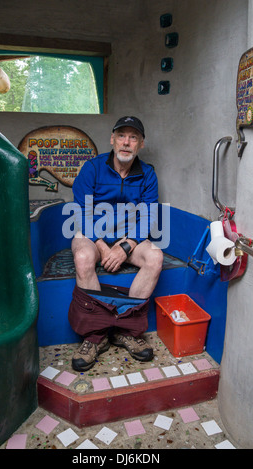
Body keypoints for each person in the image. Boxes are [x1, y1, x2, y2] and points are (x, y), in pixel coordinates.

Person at [69, 116, 164, 371]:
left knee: (155, 257)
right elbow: (80, 211)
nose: (126, 142)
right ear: (112, 140)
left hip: (127, 238)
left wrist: (126, 246)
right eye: (121, 135)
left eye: (133, 137)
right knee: (83, 258)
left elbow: (149, 215)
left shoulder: (148, 174)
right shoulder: (92, 168)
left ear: (141, 144)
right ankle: (95, 336)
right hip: (92, 235)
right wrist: (101, 247)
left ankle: (127, 331)